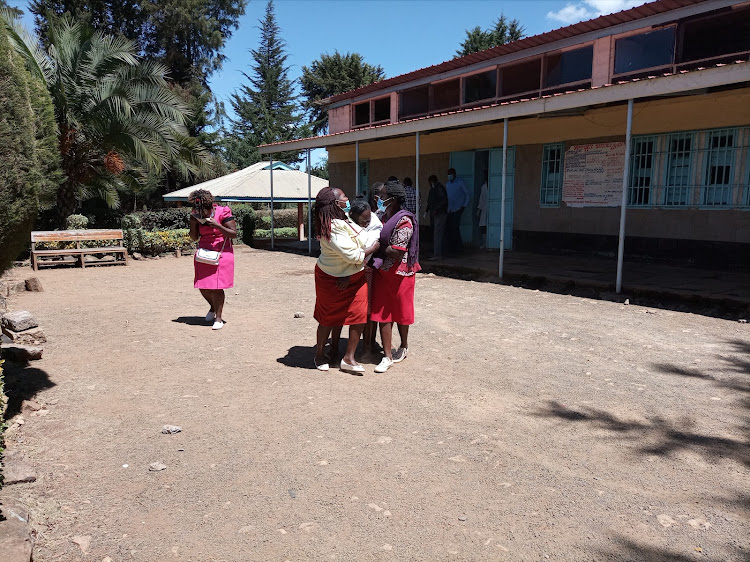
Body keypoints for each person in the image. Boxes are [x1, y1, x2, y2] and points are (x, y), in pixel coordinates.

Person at [313, 187, 380, 374]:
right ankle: (319, 355)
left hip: (354, 276)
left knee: (359, 315)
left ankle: (348, 358)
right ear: (336, 203)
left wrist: (363, 245)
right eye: (344, 196)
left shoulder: (344, 220)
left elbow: (361, 238)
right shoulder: (330, 227)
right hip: (331, 278)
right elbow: (352, 254)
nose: (347, 198)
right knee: (328, 318)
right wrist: (373, 247)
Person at [370, 181, 421, 373]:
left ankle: (404, 346)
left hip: (401, 273)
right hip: (384, 271)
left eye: (383, 196)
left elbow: (397, 251)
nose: (379, 199)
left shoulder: (404, 220)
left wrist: (376, 245)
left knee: (401, 311)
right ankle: (387, 356)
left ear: (393, 199)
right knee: (384, 313)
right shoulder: (382, 216)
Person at [188, 189, 237, 330]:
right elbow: (194, 237)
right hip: (204, 252)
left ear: (210, 205)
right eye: (197, 209)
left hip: (222, 252)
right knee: (202, 285)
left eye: (203, 209)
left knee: (217, 287)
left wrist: (217, 225)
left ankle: (219, 318)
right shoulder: (195, 215)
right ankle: (212, 307)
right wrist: (193, 222)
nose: (201, 212)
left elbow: (233, 234)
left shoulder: (223, 211)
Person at [350, 197, 383, 356]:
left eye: (367, 220)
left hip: (366, 271)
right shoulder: (346, 226)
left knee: (367, 310)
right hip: (349, 271)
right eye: (363, 221)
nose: (366, 224)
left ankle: (367, 346)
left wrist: (368, 250)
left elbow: (362, 256)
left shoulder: (374, 225)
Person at [445, 168, 470, 254]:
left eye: (451, 174)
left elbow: (467, 194)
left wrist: (464, 206)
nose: (449, 176)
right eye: (448, 174)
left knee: (455, 227)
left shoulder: (460, 182)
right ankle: (453, 247)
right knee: (451, 228)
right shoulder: (447, 184)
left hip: (458, 209)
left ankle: (458, 247)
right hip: (449, 209)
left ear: (454, 174)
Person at [424, 175, 448, 260]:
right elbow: (430, 202)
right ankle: (437, 253)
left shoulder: (439, 188)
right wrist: (427, 211)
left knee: (438, 234)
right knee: (437, 233)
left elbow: (443, 200)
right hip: (436, 213)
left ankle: (438, 254)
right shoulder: (434, 189)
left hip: (440, 213)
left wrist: (436, 209)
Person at [477, 170, 489, 249]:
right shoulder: (484, 187)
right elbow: (481, 199)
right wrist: (479, 209)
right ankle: (485, 243)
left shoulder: (495, 185)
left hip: (494, 209)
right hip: (485, 208)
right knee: (483, 226)